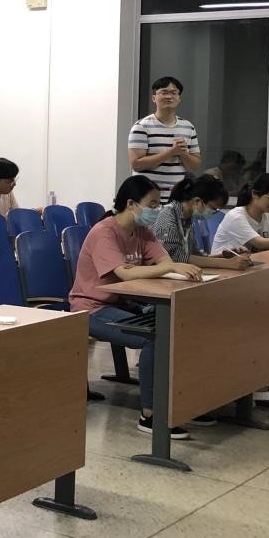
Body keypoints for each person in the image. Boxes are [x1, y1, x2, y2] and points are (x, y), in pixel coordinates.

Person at [69, 175, 204, 438]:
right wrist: (168, 267)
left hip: (125, 303)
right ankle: (151, 415)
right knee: (155, 337)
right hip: (92, 308)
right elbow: (126, 273)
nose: (156, 210)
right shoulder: (104, 232)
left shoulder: (142, 230)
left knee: (180, 326)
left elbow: (164, 261)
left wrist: (172, 266)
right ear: (131, 204)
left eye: (158, 204)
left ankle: (183, 402)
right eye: (152, 204)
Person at [151, 175, 252, 269]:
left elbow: (194, 256)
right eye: (214, 209)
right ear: (197, 201)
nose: (215, 213)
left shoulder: (187, 218)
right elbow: (174, 258)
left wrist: (223, 256)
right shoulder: (167, 216)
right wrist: (227, 263)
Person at [128, 76, 202, 202]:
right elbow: (136, 164)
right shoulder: (142, 126)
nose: (169, 96)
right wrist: (171, 152)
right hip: (146, 197)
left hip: (176, 198)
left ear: (179, 98)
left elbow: (194, 165)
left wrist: (183, 153)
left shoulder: (188, 127)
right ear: (154, 98)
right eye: (164, 92)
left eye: (173, 93)